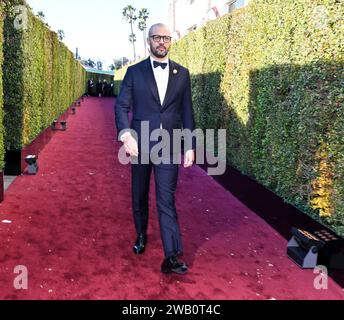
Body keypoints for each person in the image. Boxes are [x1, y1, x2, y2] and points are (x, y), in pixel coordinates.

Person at [115, 23, 195, 275]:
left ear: (171, 42)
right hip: (140, 144)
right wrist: (126, 133)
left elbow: (187, 112)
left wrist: (190, 145)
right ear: (148, 40)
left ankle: (171, 256)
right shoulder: (134, 72)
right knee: (139, 194)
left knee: (166, 200)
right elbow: (121, 107)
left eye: (166, 38)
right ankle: (141, 233)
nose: (162, 42)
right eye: (157, 38)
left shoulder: (182, 74)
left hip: (169, 146)